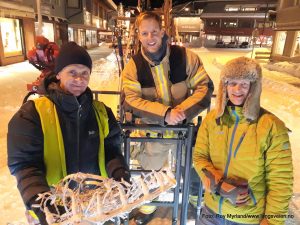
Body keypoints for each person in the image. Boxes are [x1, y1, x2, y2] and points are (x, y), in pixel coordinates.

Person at [7, 42, 130, 225]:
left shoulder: (102, 112)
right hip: (53, 210)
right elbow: (25, 165)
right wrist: (41, 203)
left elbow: (111, 151)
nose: (79, 79)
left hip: (95, 206)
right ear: (58, 74)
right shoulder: (32, 114)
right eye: (72, 72)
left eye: (84, 73)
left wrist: (120, 175)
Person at [121, 11, 214, 223]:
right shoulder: (133, 67)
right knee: (149, 175)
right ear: (139, 36)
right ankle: (147, 210)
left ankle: (193, 204)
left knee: (192, 172)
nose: (150, 37)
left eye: (154, 31)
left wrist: (182, 113)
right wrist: (165, 114)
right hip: (153, 134)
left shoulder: (186, 57)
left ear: (163, 32)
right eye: (145, 33)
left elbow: (205, 86)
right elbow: (131, 100)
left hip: (185, 131)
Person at [193, 57, 293, 225]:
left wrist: (272, 221)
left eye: (244, 84)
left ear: (253, 87)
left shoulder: (271, 127)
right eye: (232, 83)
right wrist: (218, 186)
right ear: (224, 86)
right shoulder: (212, 120)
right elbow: (199, 157)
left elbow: (280, 182)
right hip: (210, 212)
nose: (237, 89)